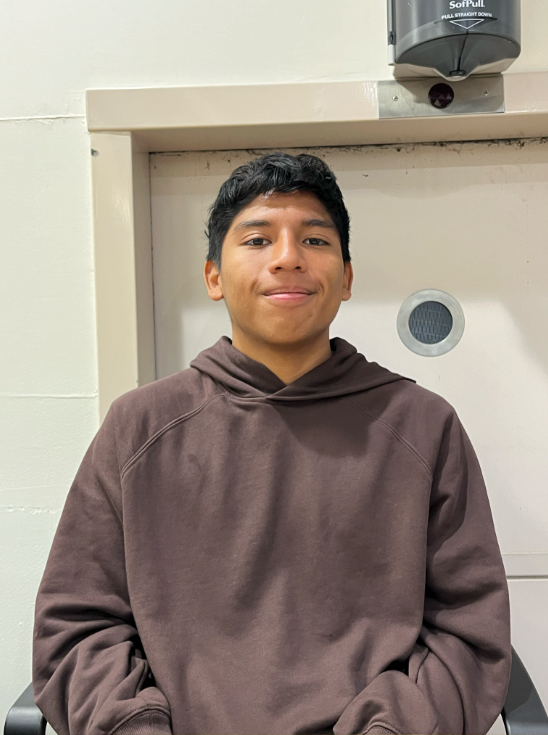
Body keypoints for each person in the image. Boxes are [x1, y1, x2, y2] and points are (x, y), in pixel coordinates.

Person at [32, 152, 511, 735]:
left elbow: (468, 632)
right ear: (213, 276)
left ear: (347, 277)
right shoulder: (138, 427)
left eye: (314, 239)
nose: (287, 259)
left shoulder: (423, 426)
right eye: (257, 240)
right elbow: (78, 626)